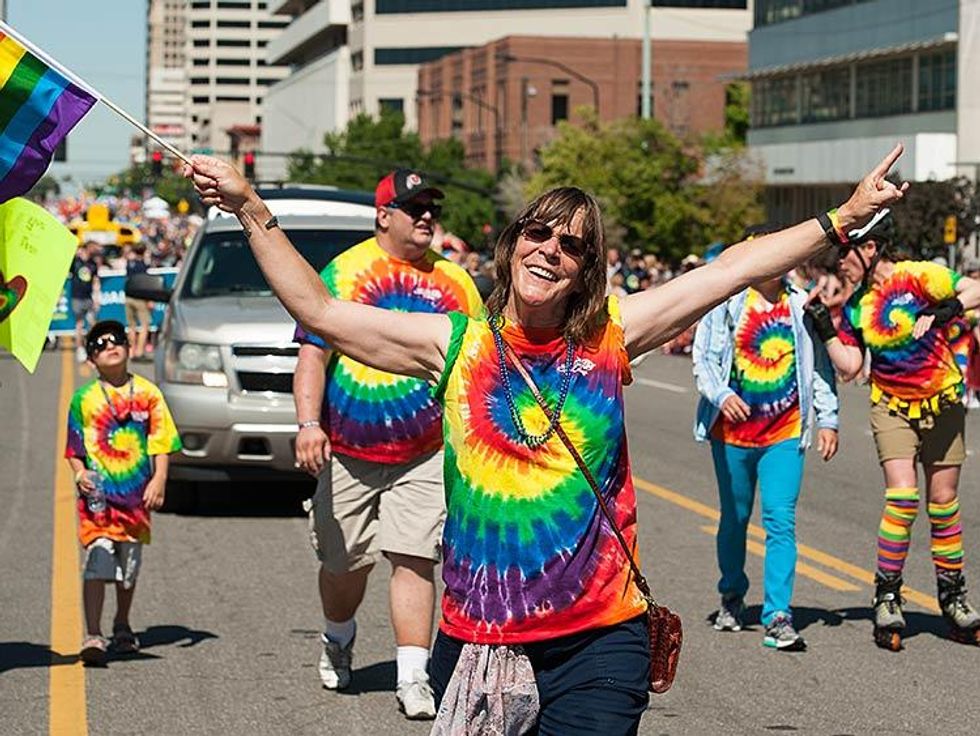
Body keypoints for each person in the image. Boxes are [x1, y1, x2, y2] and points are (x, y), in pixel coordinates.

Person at [185, 145, 907, 733]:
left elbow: (731, 269)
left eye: (572, 245)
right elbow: (320, 311)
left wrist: (844, 217)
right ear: (512, 243)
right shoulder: (456, 343)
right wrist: (250, 207)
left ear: (585, 271)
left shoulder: (610, 338)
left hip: (599, 638)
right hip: (478, 639)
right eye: (538, 232)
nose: (550, 250)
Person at [291, 169, 484, 719]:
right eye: (413, 206)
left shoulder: (456, 282)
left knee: (415, 557)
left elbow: (477, 365)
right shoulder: (346, 272)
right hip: (349, 451)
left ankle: (413, 675)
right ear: (384, 215)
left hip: (426, 451)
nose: (426, 216)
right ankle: (338, 634)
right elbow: (313, 353)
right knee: (344, 563)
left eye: (431, 208)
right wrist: (310, 424)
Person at [807, 211, 980, 649]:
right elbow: (850, 367)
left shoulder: (919, 276)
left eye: (845, 254)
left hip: (942, 402)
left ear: (870, 249)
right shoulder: (857, 305)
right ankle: (887, 595)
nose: (839, 264)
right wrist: (824, 326)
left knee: (943, 503)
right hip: (892, 407)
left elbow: (974, 288)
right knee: (902, 499)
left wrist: (951, 307)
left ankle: (953, 597)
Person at [693, 228, 840, 651]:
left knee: (780, 521)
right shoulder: (725, 303)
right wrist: (721, 395)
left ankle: (778, 615)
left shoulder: (800, 305)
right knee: (736, 518)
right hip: (732, 433)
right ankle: (732, 595)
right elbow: (703, 358)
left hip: (785, 431)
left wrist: (828, 419)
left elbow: (820, 368)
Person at [65, 320, 182, 666]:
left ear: (129, 347)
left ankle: (122, 624)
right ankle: (93, 633)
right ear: (91, 359)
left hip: (135, 499)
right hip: (98, 501)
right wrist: (80, 474)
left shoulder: (148, 393)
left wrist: (159, 479)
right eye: (100, 345)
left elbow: (162, 442)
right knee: (98, 561)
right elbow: (73, 449)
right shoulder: (83, 400)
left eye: (116, 340)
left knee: (128, 567)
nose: (110, 347)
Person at [70, 241, 100, 363]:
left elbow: (95, 280)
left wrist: (97, 297)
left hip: (88, 297)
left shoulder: (93, 264)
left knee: (93, 323)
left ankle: (91, 346)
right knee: (79, 324)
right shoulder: (75, 262)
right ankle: (80, 348)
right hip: (77, 297)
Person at [124, 243, 152, 361]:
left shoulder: (130, 264)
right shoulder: (143, 266)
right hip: (140, 297)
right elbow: (145, 283)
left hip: (129, 297)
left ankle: (131, 351)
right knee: (145, 326)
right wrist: (149, 299)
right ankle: (139, 352)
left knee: (132, 327)